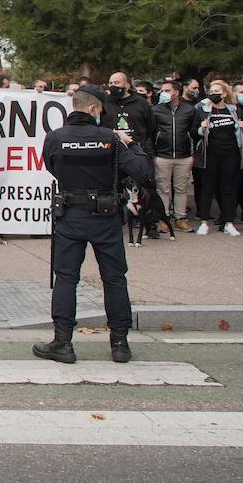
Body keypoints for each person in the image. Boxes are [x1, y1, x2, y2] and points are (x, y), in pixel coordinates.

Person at [33, 85, 154, 365]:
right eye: (101, 110)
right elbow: (143, 172)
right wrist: (130, 143)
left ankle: (63, 343)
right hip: (105, 215)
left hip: (70, 215)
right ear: (92, 109)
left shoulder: (55, 138)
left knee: (66, 278)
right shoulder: (110, 139)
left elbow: (52, 168)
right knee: (113, 279)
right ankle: (120, 344)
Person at [192, 80, 243, 236]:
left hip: (230, 154)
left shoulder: (234, 110)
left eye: (217, 91)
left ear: (224, 94)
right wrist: (202, 128)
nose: (213, 93)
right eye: (211, 91)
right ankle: (204, 222)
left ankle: (228, 222)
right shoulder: (202, 110)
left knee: (227, 189)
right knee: (207, 188)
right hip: (210, 155)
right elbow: (193, 132)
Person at [151, 77, 196, 233]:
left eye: (167, 90)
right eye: (162, 90)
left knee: (181, 189)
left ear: (176, 92)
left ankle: (180, 218)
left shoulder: (189, 109)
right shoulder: (156, 110)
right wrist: (153, 154)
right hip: (162, 156)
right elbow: (151, 133)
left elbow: (194, 132)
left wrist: (192, 154)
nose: (163, 93)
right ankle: (163, 220)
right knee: (163, 189)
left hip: (183, 156)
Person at [101, 72, 155, 154]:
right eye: (111, 83)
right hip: (111, 151)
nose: (113, 86)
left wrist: (147, 151)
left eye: (117, 83)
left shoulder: (141, 103)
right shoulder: (104, 103)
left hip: (136, 152)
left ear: (127, 85)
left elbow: (150, 127)